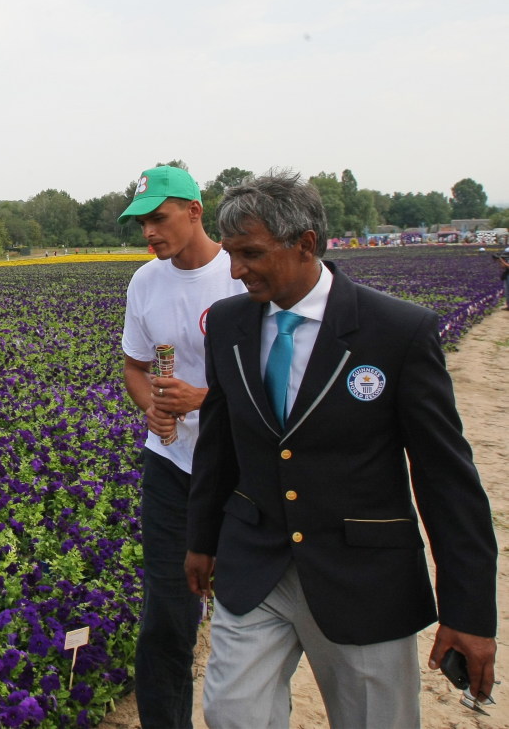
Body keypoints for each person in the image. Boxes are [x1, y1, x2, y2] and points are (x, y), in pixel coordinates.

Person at [185, 171, 497, 728]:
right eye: (231, 254)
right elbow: (220, 443)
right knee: (232, 713)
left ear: (305, 243)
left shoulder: (397, 332)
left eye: (251, 253)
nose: (236, 270)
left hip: (361, 577)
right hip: (256, 564)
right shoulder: (229, 325)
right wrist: (201, 539)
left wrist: (469, 612)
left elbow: (445, 478)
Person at [117, 165, 247, 728]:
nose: (149, 232)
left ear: (195, 211)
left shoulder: (241, 275)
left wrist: (206, 400)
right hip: (171, 463)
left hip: (243, 467)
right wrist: (150, 405)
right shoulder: (145, 283)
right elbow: (134, 365)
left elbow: (275, 380)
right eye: (142, 221)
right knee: (166, 615)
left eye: (158, 218)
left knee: (248, 613)